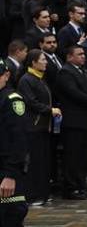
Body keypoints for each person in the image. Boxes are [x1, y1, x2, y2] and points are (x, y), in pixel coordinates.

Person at [0, 62, 33, 227]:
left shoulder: (12, 100)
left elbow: (19, 140)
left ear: (6, 75)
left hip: (9, 174)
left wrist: (11, 173)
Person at [54, 42, 87, 199]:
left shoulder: (85, 71)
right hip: (73, 121)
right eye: (79, 54)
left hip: (86, 120)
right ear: (69, 57)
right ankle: (70, 187)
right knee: (72, 156)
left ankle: (81, 185)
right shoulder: (65, 73)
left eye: (83, 54)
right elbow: (74, 93)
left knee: (82, 156)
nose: (83, 57)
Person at [16, 49, 56, 207]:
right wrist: (49, 110)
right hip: (33, 127)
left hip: (43, 127)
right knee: (34, 162)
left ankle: (43, 193)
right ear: (33, 62)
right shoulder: (26, 80)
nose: (45, 62)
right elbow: (31, 102)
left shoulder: (40, 79)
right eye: (42, 59)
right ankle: (32, 194)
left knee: (43, 161)